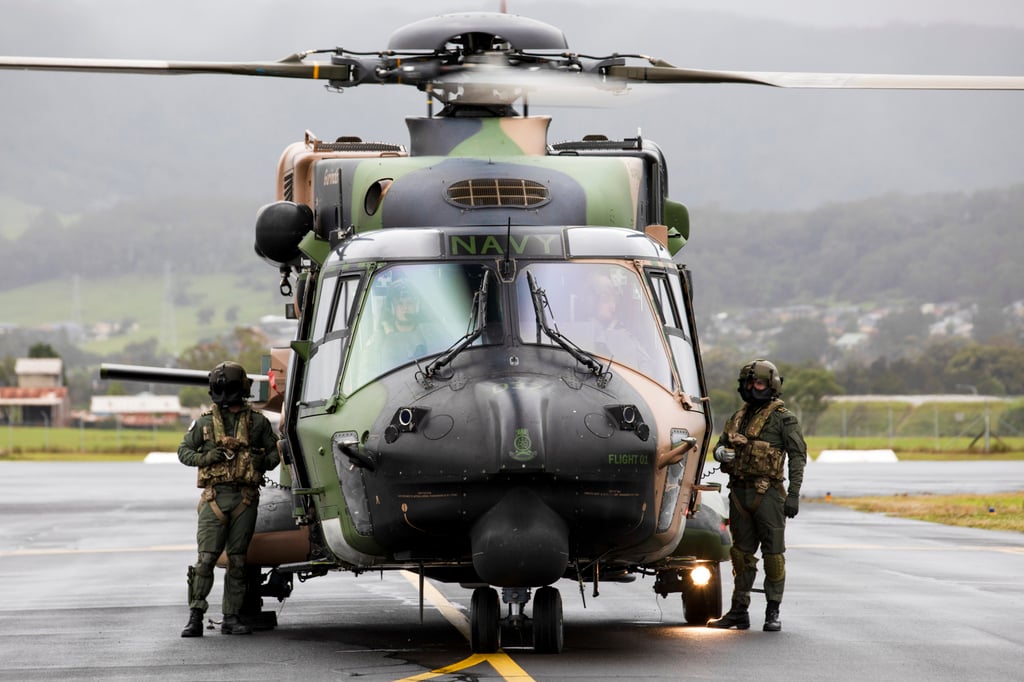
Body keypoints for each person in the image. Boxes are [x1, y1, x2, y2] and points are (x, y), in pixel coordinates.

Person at [178, 361, 281, 637]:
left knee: (237, 561)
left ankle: (231, 617)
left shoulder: (257, 423)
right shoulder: (204, 423)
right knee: (206, 559)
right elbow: (184, 452)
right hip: (215, 499)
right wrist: (206, 457)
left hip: (244, 499)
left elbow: (274, 455)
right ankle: (196, 615)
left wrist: (258, 460)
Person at [707, 359, 806, 632]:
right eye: (749, 383)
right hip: (739, 493)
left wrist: (794, 494)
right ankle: (739, 611)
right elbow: (720, 445)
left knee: (773, 555)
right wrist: (720, 453)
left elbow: (798, 456)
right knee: (741, 555)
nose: (753, 388)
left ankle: (772, 611)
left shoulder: (784, 419)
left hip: (769, 494)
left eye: (759, 383)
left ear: (771, 386)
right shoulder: (738, 417)